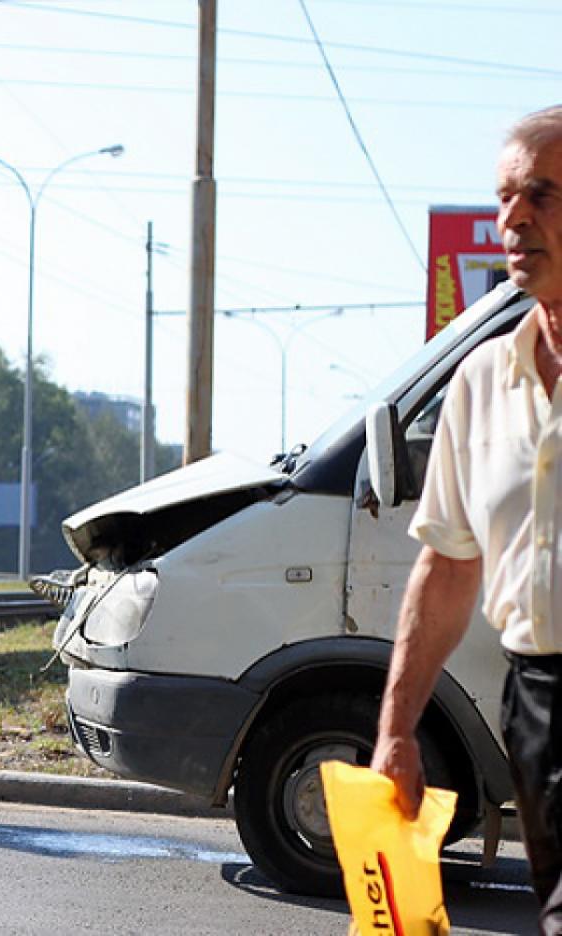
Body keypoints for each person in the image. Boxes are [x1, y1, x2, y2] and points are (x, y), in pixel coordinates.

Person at [373, 104, 562, 931]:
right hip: (540, 707)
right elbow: (448, 566)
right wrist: (397, 733)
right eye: (506, 197)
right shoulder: (484, 379)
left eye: (544, 195)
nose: (514, 218)